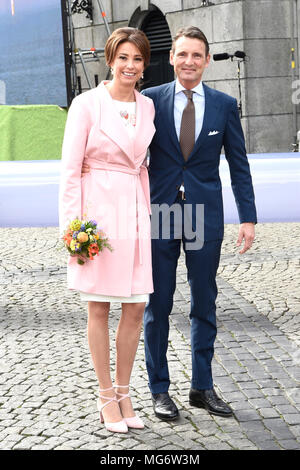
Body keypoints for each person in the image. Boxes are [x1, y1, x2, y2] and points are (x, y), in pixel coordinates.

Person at [142, 26, 257, 421]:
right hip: (162, 212)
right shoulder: (149, 101)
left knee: (204, 303)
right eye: (181, 54)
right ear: (171, 58)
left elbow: (239, 166)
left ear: (207, 60)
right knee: (157, 305)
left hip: (203, 215)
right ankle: (159, 389)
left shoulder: (225, 105)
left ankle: (201, 387)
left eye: (196, 55)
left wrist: (248, 218)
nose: (188, 61)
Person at [59, 27, 155, 433]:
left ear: (144, 65)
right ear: (110, 60)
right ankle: (104, 396)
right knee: (98, 307)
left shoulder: (147, 106)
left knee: (136, 306)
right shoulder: (86, 105)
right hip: (96, 218)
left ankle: (125, 390)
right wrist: (74, 232)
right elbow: (68, 172)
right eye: (123, 58)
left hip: (134, 211)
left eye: (137, 59)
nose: (130, 66)